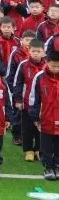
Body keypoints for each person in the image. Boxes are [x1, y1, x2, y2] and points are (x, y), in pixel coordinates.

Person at [28, 50, 59, 180]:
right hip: (45, 118)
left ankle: (57, 166)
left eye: (58, 66)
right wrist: (35, 116)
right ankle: (48, 167)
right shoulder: (40, 77)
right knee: (46, 145)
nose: (55, 69)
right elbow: (34, 98)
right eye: (53, 66)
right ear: (47, 62)